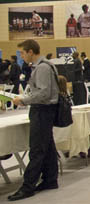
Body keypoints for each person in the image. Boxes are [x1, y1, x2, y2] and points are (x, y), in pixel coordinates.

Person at [8, 40, 60, 201]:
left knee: (37, 149)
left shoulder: (43, 67)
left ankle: (28, 186)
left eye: (22, 53)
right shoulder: (44, 66)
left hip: (42, 110)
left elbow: (43, 93)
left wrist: (23, 100)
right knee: (48, 146)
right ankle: (50, 179)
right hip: (44, 110)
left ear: (31, 52)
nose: (21, 57)